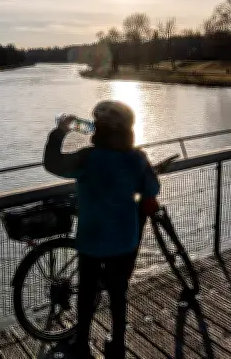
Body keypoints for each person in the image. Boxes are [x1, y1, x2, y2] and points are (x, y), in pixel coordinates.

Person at [43, 101, 160, 358]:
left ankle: (82, 344)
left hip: (93, 238)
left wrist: (60, 131)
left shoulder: (88, 157)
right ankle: (117, 343)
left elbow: (52, 164)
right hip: (124, 239)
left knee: (87, 290)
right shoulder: (138, 157)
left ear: (101, 128)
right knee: (119, 291)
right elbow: (152, 190)